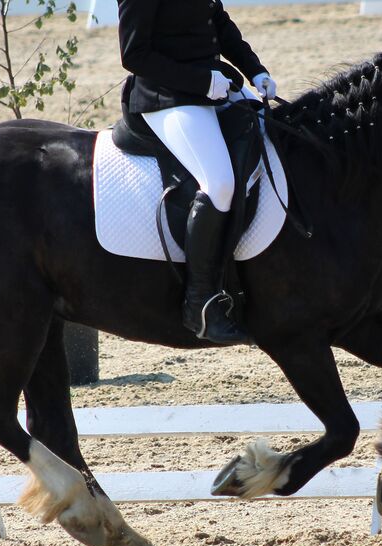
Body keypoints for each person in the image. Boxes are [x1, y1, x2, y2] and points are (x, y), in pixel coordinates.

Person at [117, 0, 277, 345]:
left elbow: (217, 22)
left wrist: (255, 70)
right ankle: (199, 303)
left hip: (214, 87)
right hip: (169, 96)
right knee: (218, 183)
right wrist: (201, 81)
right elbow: (134, 54)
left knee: (272, 142)